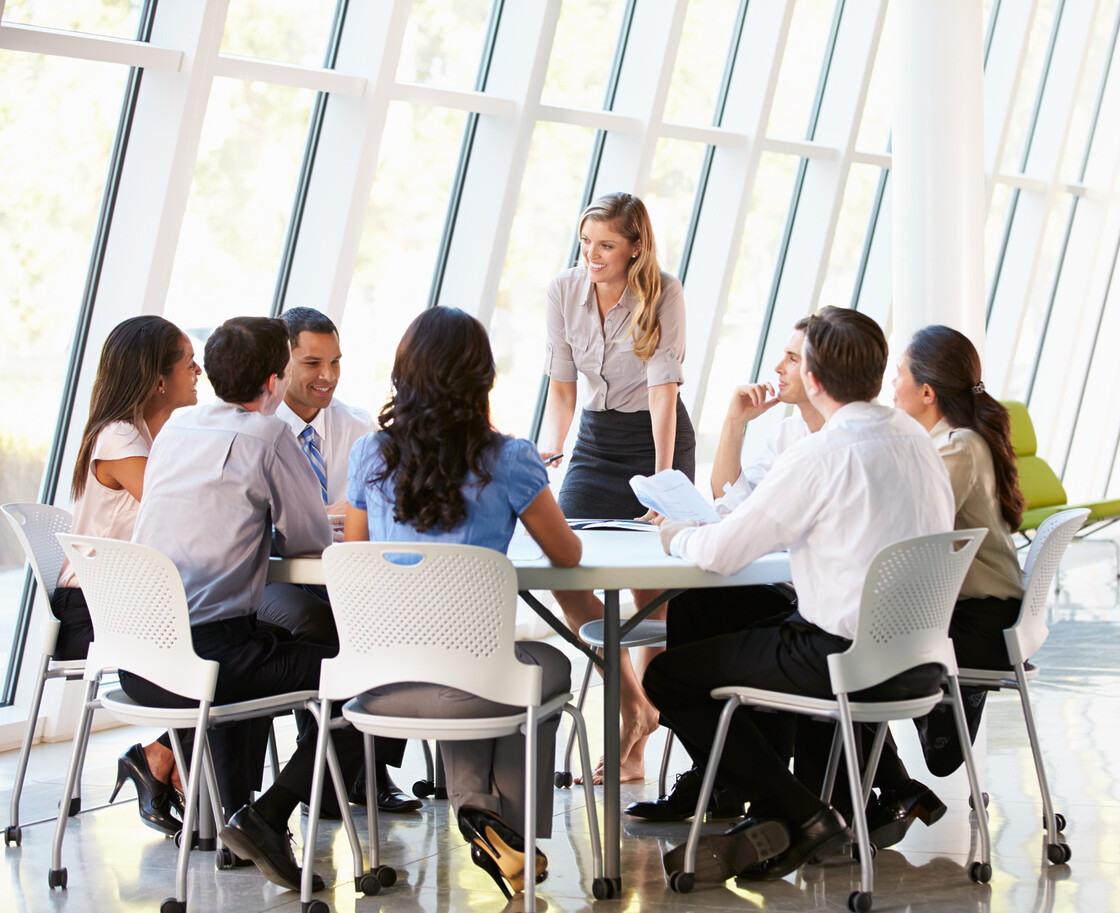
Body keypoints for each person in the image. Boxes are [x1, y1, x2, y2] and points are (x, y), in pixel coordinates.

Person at [646, 307, 956, 883]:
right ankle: (769, 804)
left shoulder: (821, 453)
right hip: (922, 662)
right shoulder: (915, 436)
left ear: (813, 380)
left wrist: (674, 534)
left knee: (666, 677)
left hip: (840, 659)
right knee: (712, 609)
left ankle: (800, 810)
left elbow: (720, 552)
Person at [345, 307, 582, 899]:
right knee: (543, 666)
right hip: (471, 684)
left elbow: (356, 556)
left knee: (471, 665)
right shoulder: (509, 458)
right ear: (483, 377)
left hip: (380, 682)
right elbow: (567, 556)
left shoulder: (369, 456)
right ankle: (516, 838)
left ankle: (485, 815)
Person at [128, 316, 365, 893]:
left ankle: (233, 824)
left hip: (141, 661)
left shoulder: (178, 427)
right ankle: (268, 814)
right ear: (274, 378)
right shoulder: (269, 436)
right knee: (367, 679)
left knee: (270, 640)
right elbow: (309, 539)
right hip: (210, 660)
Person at [626, 317, 825, 822]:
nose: (777, 367)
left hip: (812, 613)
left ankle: (747, 785)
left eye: (792, 358)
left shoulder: (820, 453)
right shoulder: (789, 432)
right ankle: (721, 777)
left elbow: (724, 539)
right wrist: (735, 423)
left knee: (677, 663)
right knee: (699, 604)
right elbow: (727, 500)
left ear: (822, 374)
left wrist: (681, 535)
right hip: (803, 601)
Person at [538, 191, 695, 783]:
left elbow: (664, 393)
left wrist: (662, 482)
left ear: (635, 248)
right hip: (597, 443)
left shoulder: (664, 292)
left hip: (657, 438)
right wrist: (550, 450)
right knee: (569, 570)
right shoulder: (564, 290)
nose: (592, 255)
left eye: (606, 245)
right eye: (586, 243)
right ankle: (634, 704)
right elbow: (561, 389)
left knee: (649, 590)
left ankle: (634, 750)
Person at [855, 324, 1026, 848]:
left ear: (927, 393)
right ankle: (897, 787)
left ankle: (890, 790)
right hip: (980, 613)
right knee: (844, 655)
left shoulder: (956, 448)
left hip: (981, 623)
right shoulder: (954, 443)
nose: (891, 388)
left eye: (899, 377)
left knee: (844, 661)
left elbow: (905, 527)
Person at [258, 306, 416, 814]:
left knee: (391, 620)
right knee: (321, 627)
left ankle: (368, 768)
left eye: (335, 362)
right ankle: (330, 775)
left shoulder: (356, 428)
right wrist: (327, 515)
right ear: (281, 363)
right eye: (311, 363)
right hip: (270, 578)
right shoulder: (256, 427)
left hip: (341, 574)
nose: (326, 376)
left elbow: (373, 513)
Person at [52, 315, 200, 837]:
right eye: (188, 363)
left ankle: (165, 761)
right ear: (159, 379)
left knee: (239, 641)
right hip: (92, 610)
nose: (198, 371)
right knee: (229, 649)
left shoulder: (151, 435)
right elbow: (174, 512)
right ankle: (165, 761)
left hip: (127, 601)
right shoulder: (118, 437)